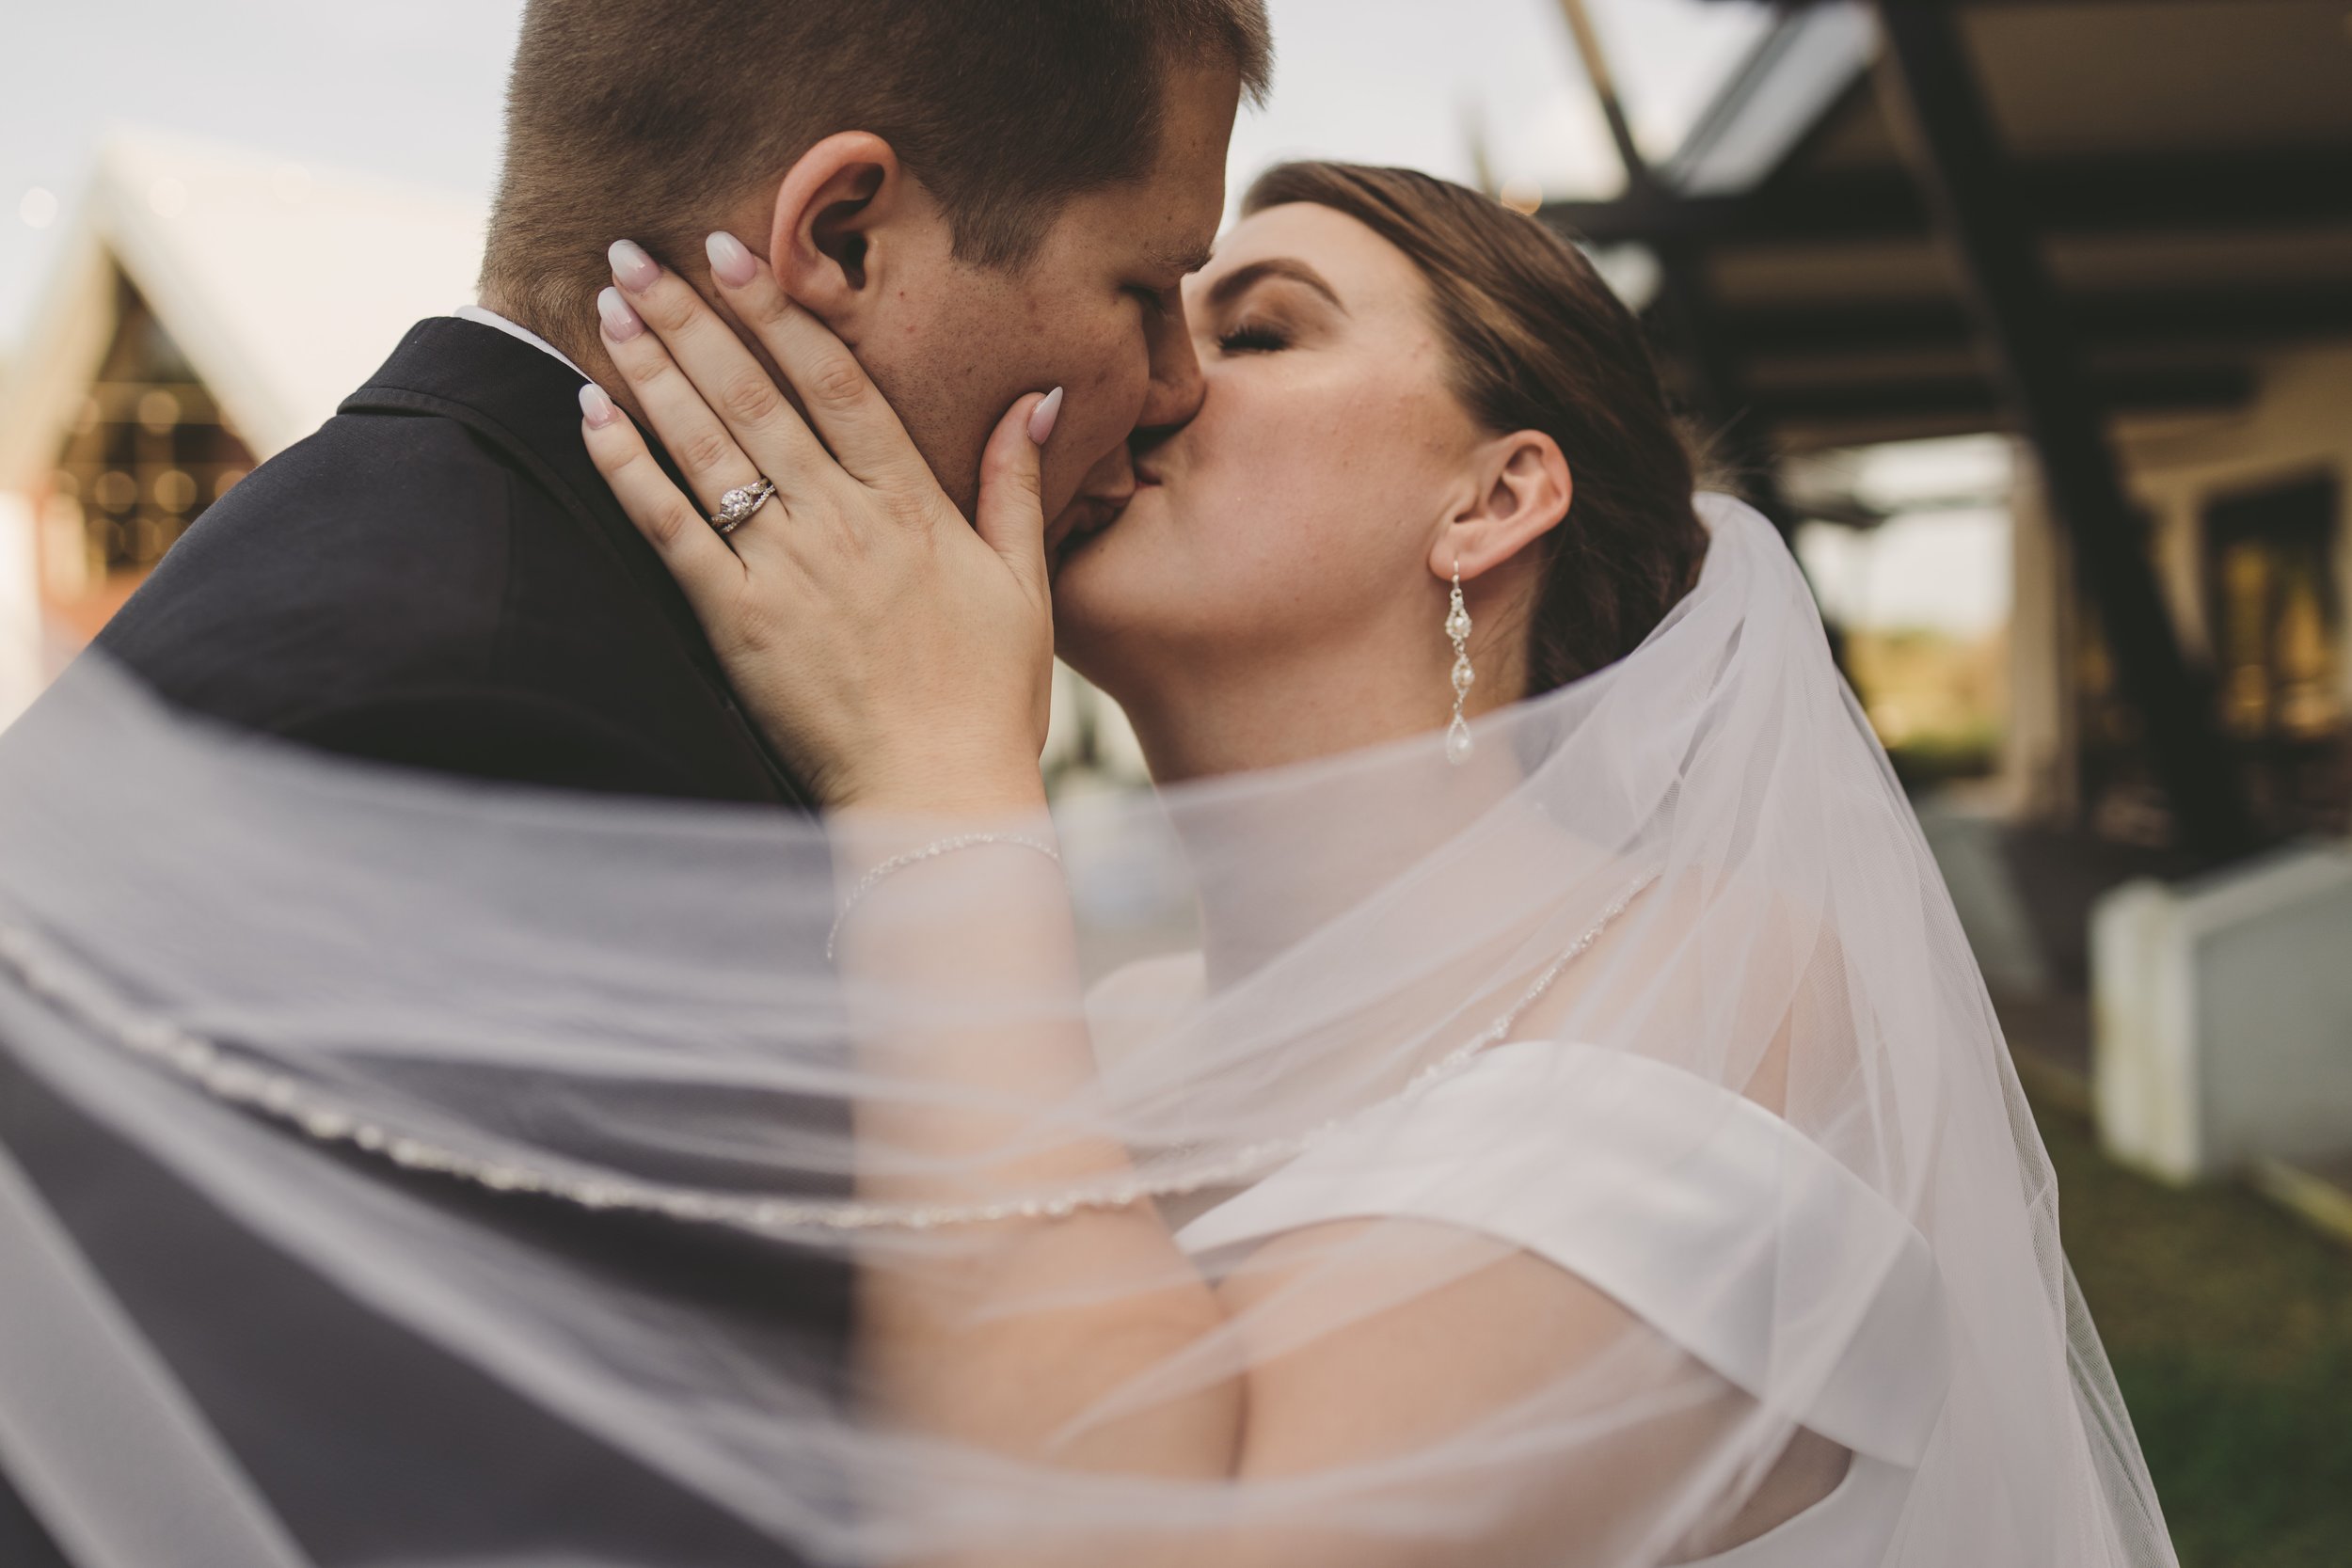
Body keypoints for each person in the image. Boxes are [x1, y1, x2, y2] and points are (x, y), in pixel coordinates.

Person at [0, 3, 1268, 1565]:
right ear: (848, 237)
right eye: (1145, 287)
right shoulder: (471, 719)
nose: (1177, 380)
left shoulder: (466, 551)